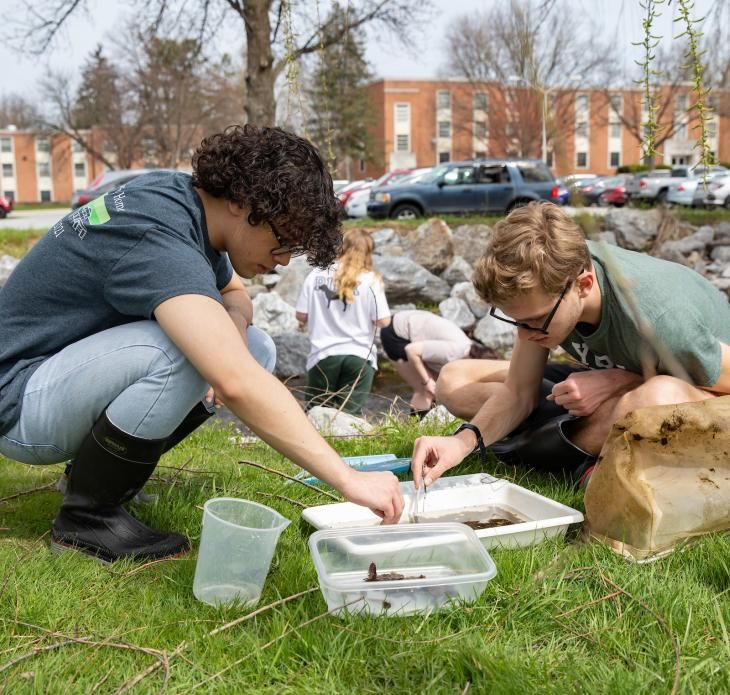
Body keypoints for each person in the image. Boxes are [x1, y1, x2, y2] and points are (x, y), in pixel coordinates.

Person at [0, 125, 404, 563]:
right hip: (19, 402)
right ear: (240, 203)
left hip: (53, 381)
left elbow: (235, 295)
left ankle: (93, 477)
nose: (285, 259)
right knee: (182, 350)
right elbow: (234, 382)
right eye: (283, 239)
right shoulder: (159, 237)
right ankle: (88, 518)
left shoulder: (183, 201)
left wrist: (230, 330)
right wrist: (348, 479)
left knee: (255, 345)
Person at [411, 201, 730, 486]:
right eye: (517, 322)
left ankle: (547, 447)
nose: (524, 335)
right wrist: (462, 443)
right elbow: (519, 390)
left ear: (583, 285)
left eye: (536, 320)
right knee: (454, 381)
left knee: (653, 399)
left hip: (695, 394)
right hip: (600, 387)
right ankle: (584, 443)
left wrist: (619, 381)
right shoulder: (552, 271)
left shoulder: (660, 318)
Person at [296, 229, 391, 415]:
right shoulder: (371, 280)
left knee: (315, 411)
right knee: (350, 415)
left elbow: (301, 315)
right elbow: (383, 320)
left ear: (341, 246)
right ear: (368, 251)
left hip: (323, 355)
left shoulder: (316, 274)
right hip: (360, 356)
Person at [380, 309, 486, 417]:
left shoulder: (470, 348)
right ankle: (417, 428)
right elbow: (411, 350)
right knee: (426, 391)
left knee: (438, 385)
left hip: (408, 322)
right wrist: (427, 381)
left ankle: (428, 422)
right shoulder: (454, 351)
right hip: (395, 335)